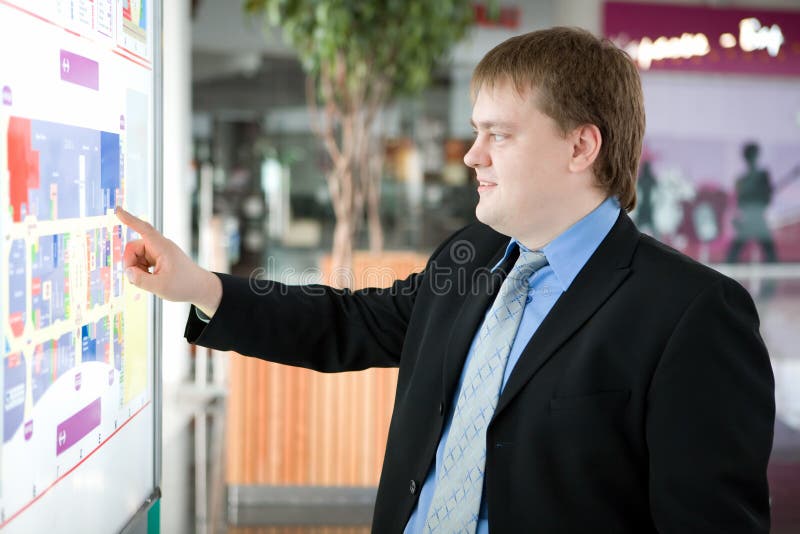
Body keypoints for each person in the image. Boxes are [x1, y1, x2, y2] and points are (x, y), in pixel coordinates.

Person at [117, 27, 774, 533]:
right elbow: (352, 321)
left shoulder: (692, 313)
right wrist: (202, 286)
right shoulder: (475, 255)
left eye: (499, 135)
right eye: (474, 132)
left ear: (582, 147)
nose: (471, 156)